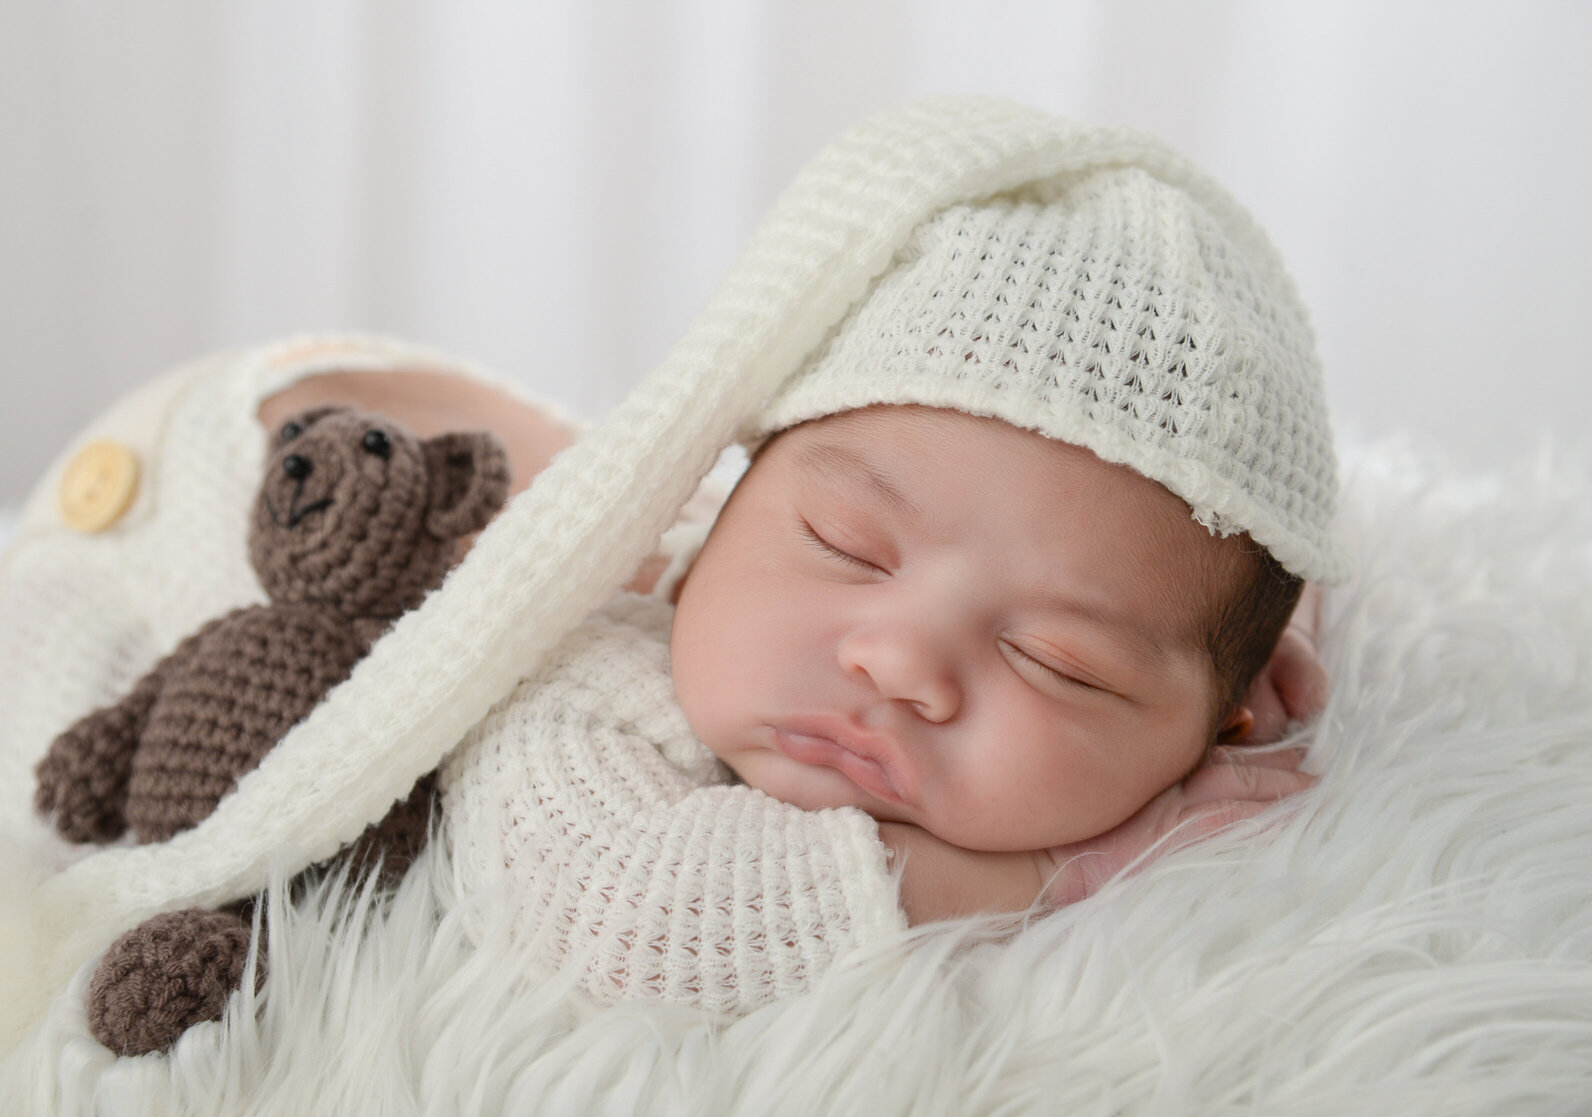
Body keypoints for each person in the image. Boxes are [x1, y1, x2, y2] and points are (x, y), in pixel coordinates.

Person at [3, 97, 1345, 1034]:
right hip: (152, 495)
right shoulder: (596, 673)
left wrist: (1237, 626)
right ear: (729, 489)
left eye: (1058, 659)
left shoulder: (822, 597)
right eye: (843, 546)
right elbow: (632, 915)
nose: (899, 661)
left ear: (1228, 711)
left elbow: (1170, 568)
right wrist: (1075, 865)